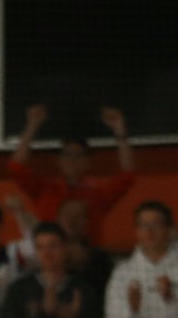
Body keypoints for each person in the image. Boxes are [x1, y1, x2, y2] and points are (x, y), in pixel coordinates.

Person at [9, 103, 135, 243]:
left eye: (78, 155)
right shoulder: (44, 190)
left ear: (88, 162)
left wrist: (119, 129)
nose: (72, 159)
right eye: (67, 154)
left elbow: (127, 176)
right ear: (59, 160)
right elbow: (17, 167)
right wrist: (32, 125)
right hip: (49, 258)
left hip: (88, 260)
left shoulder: (97, 196)